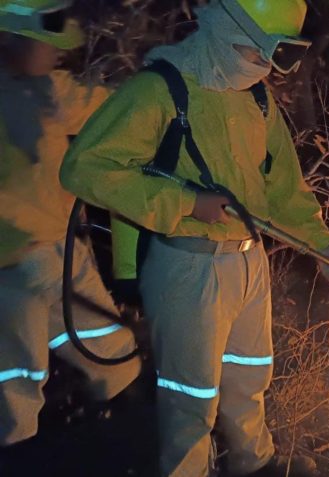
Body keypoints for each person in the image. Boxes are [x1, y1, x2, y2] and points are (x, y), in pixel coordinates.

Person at [60, 0, 329, 475]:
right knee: (190, 394)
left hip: (248, 263)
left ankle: (252, 464)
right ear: (222, 26)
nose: (260, 67)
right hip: (187, 267)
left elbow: (284, 187)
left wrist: (319, 244)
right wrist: (185, 205)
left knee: (248, 378)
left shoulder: (257, 98)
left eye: (269, 57)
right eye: (252, 52)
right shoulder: (158, 91)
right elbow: (86, 168)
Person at [0, 0, 141, 447]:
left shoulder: (48, 90)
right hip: (10, 269)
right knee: (16, 385)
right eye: (48, 42)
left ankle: (121, 444)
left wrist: (158, 94)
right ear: (11, 35)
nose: (59, 52)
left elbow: (109, 107)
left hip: (59, 258)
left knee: (116, 356)